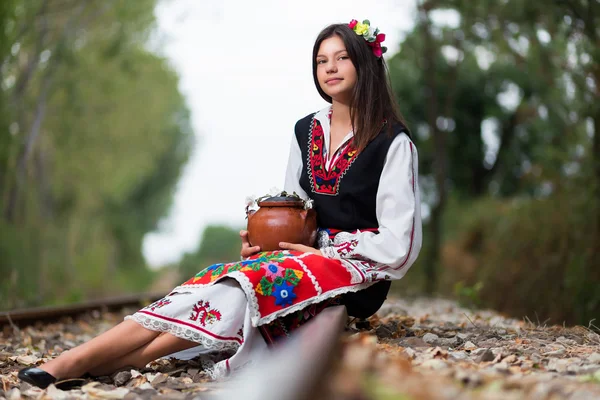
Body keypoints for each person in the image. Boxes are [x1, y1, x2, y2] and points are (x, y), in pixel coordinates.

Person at [18, 19, 422, 389]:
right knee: (226, 277)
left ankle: (77, 359)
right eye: (321, 60)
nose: (330, 67)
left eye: (341, 58)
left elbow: (398, 244)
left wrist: (324, 250)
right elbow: (295, 208)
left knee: (256, 282)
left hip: (356, 273)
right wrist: (267, 242)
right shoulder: (307, 130)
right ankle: (107, 361)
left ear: (365, 65)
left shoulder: (392, 141)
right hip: (297, 260)